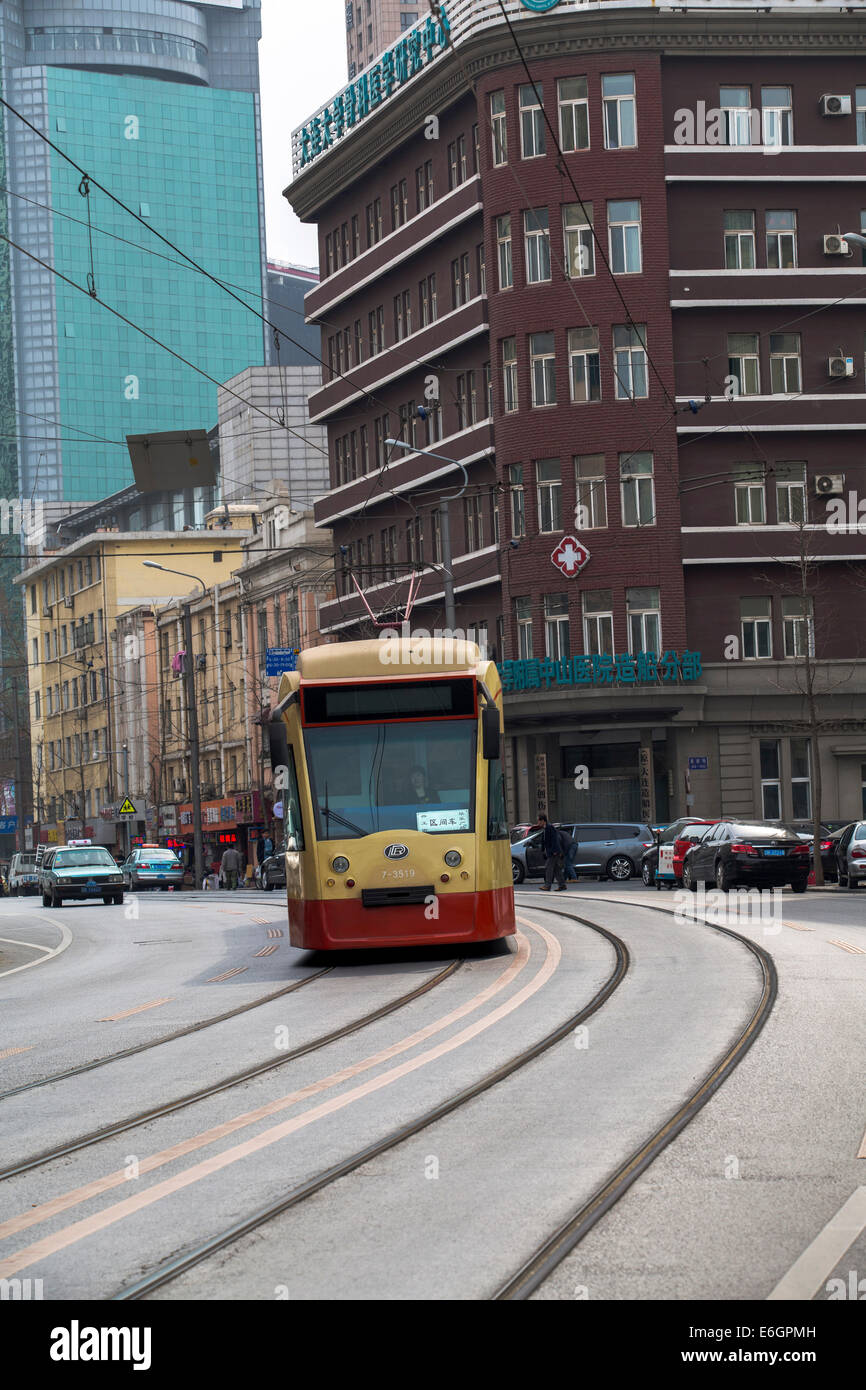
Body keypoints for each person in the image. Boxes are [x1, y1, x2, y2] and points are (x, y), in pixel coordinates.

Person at [537, 813, 566, 891]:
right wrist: (543, 850)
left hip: (554, 852)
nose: (538, 823)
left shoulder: (550, 828)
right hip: (550, 852)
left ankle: (547, 885)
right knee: (556, 869)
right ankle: (562, 885)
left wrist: (555, 850)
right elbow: (545, 841)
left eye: (538, 821)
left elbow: (554, 840)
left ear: (543, 820)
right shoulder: (545, 828)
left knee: (548, 868)